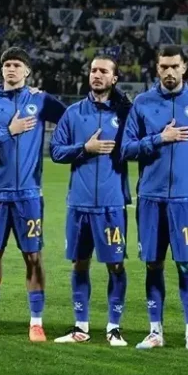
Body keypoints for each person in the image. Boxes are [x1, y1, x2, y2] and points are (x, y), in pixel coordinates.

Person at [0, 47, 67, 341]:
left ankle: (36, 322)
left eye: (17, 65)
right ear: (2, 69)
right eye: (7, 64)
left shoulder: (40, 100)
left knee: (33, 256)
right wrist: (9, 131)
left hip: (29, 194)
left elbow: (72, 118)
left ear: (27, 71)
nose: (11, 69)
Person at [122, 45, 188, 351]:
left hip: (185, 199)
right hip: (150, 197)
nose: (169, 72)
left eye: (175, 66)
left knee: (187, 264)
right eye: (164, 66)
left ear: (184, 67)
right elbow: (126, 149)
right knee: (153, 264)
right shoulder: (142, 103)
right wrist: (159, 138)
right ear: (157, 68)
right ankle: (155, 332)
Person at [50, 55, 132, 346]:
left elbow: (137, 146)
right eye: (93, 70)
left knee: (116, 265)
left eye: (103, 71)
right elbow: (55, 151)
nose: (97, 75)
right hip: (79, 204)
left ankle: (114, 327)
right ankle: (81, 327)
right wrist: (85, 148)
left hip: (111, 204)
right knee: (79, 264)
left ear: (114, 78)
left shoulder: (125, 113)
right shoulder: (73, 113)